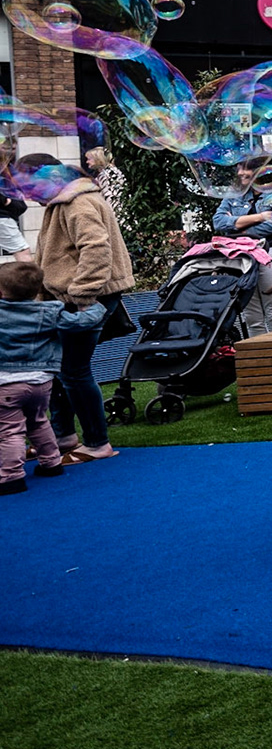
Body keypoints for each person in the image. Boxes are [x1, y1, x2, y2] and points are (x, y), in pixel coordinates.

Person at [20, 152, 133, 465]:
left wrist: (81, 297)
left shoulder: (77, 202)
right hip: (70, 299)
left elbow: (96, 249)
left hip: (84, 298)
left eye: (30, 187)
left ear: (52, 177)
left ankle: (98, 443)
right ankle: (63, 438)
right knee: (59, 368)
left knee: (73, 370)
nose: (27, 195)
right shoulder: (64, 201)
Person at [0, 263, 102, 496]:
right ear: (37, 290)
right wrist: (95, 307)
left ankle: (11, 476)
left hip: (5, 383)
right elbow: (79, 323)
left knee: (10, 430)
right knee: (38, 421)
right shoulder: (48, 311)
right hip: (40, 381)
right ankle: (51, 462)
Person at [215, 158, 272, 334]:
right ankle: (257, 359)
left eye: (246, 168)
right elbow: (218, 221)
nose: (240, 172)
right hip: (242, 256)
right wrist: (258, 217)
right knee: (251, 315)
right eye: (239, 167)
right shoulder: (236, 193)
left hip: (271, 253)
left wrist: (239, 231)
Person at [0, 193, 31, 263]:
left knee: (24, 255)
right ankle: (28, 273)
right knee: (24, 255)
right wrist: (5, 201)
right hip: (3, 217)